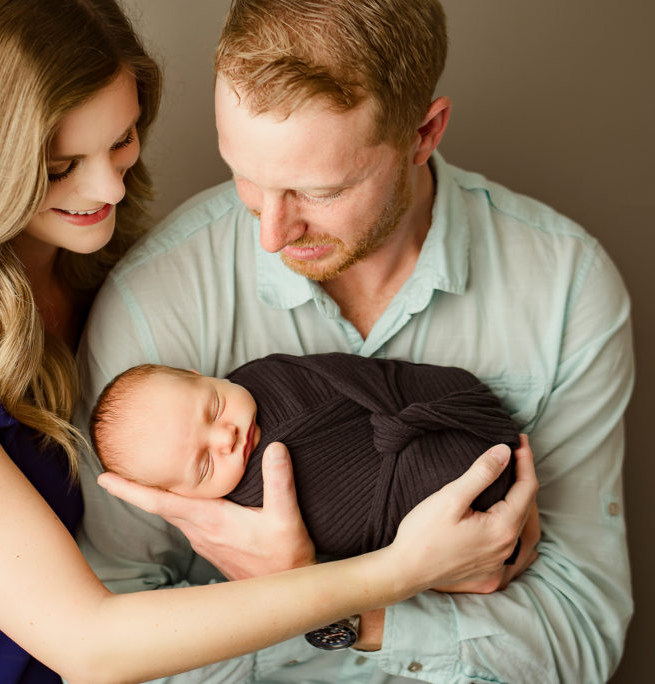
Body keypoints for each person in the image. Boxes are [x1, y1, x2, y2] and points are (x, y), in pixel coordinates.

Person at [0, 1, 536, 683]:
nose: (110, 189)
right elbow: (90, 642)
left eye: (122, 141)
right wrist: (399, 572)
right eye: (59, 167)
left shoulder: (93, 263)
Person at [75, 0, 633, 681]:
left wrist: (341, 610)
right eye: (247, 178)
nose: (271, 234)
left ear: (424, 132)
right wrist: (318, 593)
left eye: (319, 190)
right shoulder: (156, 304)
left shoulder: (565, 287)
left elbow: (580, 637)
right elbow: (114, 638)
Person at [89, 353, 520, 560]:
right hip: (426, 518)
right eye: (204, 465)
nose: (227, 437)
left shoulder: (268, 378)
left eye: (215, 407)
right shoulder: (239, 520)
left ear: (199, 376)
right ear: (182, 498)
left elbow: (365, 376)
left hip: (433, 415)